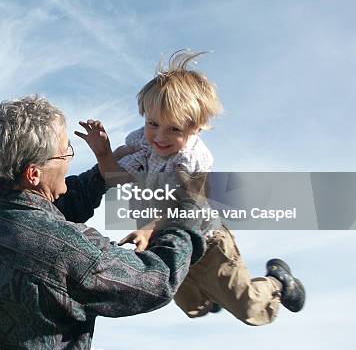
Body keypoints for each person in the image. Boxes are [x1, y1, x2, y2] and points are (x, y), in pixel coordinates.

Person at [0, 95, 211, 349]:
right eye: (64, 152)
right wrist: (189, 209)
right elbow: (157, 280)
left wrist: (102, 173)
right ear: (33, 174)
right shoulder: (68, 251)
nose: (70, 158)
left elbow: (42, 215)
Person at [117, 50, 306, 326]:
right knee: (191, 306)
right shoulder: (142, 142)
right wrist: (102, 154)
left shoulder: (193, 160)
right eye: (153, 123)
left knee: (249, 307)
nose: (159, 136)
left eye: (173, 129)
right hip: (165, 242)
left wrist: (148, 228)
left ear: (194, 128)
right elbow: (120, 172)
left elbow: (182, 205)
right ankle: (212, 297)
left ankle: (278, 281)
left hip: (207, 243)